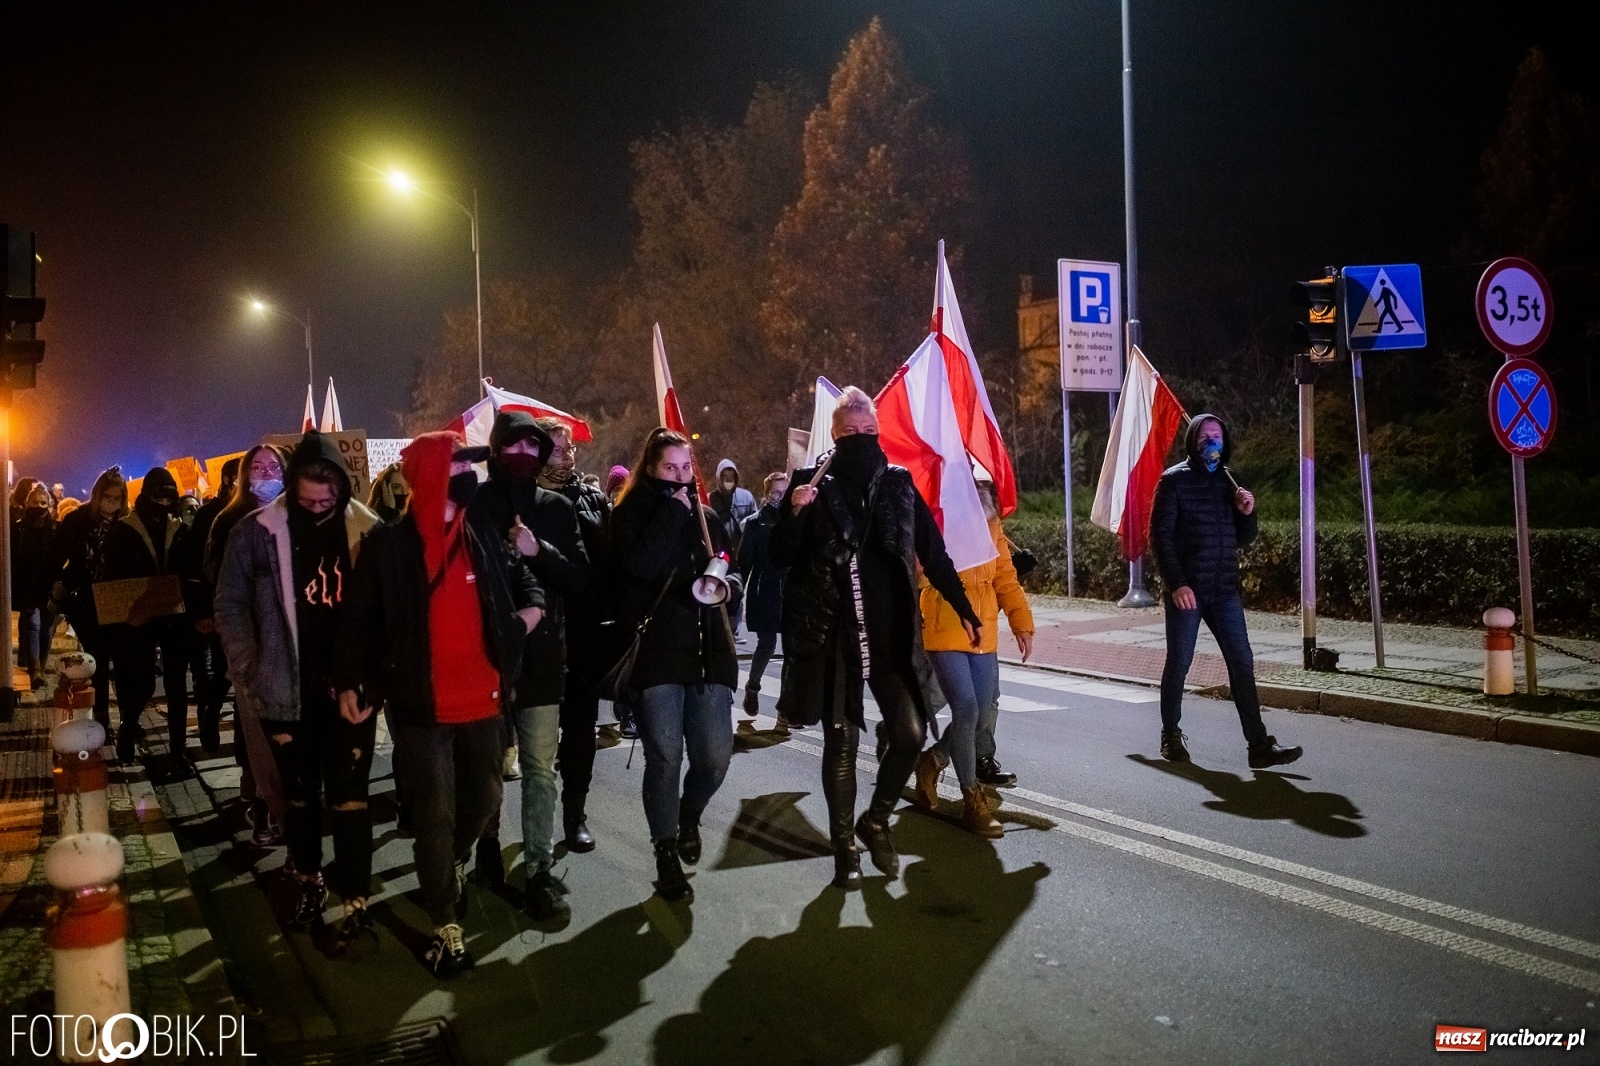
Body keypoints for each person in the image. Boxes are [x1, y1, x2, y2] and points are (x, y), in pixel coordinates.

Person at [335, 431, 543, 978]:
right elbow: (357, 621)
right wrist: (350, 682)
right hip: (421, 707)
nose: (469, 474)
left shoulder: (478, 535)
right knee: (435, 814)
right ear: (430, 475)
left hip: (486, 700)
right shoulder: (388, 546)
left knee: (486, 797)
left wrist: (531, 612)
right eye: (459, 465)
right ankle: (444, 921)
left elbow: (522, 580)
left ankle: (451, 858)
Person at [769, 387, 981, 891]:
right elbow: (778, 557)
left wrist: (964, 606)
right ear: (835, 435)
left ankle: (876, 818)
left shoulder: (898, 484)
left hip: (888, 636)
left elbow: (934, 551)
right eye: (851, 433)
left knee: (910, 734)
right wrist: (795, 514)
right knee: (840, 741)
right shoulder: (810, 482)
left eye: (870, 432)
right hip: (834, 633)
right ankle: (845, 848)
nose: (862, 440)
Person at [215, 433, 382, 952]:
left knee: (353, 798)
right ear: (291, 489)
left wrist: (373, 681)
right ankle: (309, 881)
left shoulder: (369, 530)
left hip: (350, 690)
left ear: (341, 488)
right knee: (301, 796)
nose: (317, 509)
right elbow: (230, 602)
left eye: (326, 501)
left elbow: (388, 617)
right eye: (306, 501)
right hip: (284, 688)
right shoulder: (255, 534)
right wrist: (249, 667)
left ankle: (357, 899)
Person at [609, 428, 741, 904]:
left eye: (687, 469)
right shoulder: (632, 514)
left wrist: (730, 585)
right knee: (664, 757)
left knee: (713, 758)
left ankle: (690, 811)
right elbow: (638, 567)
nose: (681, 478)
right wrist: (670, 513)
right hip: (658, 655)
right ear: (650, 469)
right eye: (670, 469)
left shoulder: (707, 517)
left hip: (708, 653)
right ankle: (665, 852)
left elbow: (729, 563)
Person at [469, 412, 591, 920]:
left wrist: (536, 550)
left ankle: (539, 868)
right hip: (485, 660)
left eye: (532, 447)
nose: (523, 455)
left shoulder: (557, 509)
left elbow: (580, 580)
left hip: (541, 662)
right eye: (512, 446)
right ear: (496, 450)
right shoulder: (474, 505)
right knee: (487, 770)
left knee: (541, 770)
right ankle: (486, 848)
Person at [1149, 413, 1302, 769]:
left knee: (1242, 662)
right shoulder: (1173, 482)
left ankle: (1259, 745)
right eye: (1204, 436)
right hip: (1188, 591)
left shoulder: (1231, 482)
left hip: (1224, 591)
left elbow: (1243, 539)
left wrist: (1247, 513)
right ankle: (1170, 734)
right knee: (1180, 662)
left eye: (1217, 435)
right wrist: (1177, 583)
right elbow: (1160, 538)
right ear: (1192, 441)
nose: (1211, 442)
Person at [912, 477, 1036, 837]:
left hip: (983, 630)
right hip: (945, 622)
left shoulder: (990, 521)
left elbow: (1005, 578)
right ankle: (971, 799)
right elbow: (921, 575)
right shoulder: (935, 517)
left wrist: (1021, 621)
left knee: (982, 713)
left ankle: (932, 760)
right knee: (966, 708)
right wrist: (921, 567)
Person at [534, 416, 614, 853]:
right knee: (541, 737)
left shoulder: (593, 500)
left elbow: (607, 566)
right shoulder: (523, 500)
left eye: (571, 451)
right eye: (560, 450)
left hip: (584, 634)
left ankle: (574, 812)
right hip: (539, 635)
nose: (568, 456)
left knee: (582, 729)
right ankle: (538, 820)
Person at [207, 444, 290, 845]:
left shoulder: (300, 519)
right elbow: (223, 591)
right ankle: (261, 803)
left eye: (274, 466)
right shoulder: (232, 523)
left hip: (291, 653)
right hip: (254, 651)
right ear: (244, 475)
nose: (266, 473)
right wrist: (242, 655)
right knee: (254, 734)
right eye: (258, 467)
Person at [100, 468, 194, 771]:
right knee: (142, 682)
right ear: (145, 494)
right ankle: (128, 729)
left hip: (175, 616)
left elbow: (191, 574)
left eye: (169, 494)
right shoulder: (125, 529)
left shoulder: (179, 528)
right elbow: (113, 578)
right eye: (158, 494)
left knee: (177, 684)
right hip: (138, 617)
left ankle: (178, 750)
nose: (164, 500)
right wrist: (126, 614)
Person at [49, 469, 127, 729]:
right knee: (98, 662)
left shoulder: (127, 523)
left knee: (125, 663)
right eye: (107, 497)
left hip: (120, 601)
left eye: (118, 498)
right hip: (87, 602)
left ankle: (128, 717)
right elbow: (57, 559)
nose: (112, 503)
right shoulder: (77, 521)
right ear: (97, 495)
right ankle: (102, 717)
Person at [183, 457, 239, 753]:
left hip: (253, 607)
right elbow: (195, 569)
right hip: (221, 605)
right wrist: (202, 611)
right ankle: (210, 715)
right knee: (225, 669)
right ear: (229, 480)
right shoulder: (210, 516)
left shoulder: (260, 511)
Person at [736, 471, 788, 721]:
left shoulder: (795, 521)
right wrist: (736, 596)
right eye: (776, 493)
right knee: (766, 643)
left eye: (784, 492)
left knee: (791, 649)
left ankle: (786, 708)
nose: (780, 498)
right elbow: (744, 563)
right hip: (764, 590)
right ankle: (752, 687)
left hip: (790, 592)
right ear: (767, 495)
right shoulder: (756, 524)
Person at [12, 479, 59, 689]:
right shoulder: (19, 529)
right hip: (28, 586)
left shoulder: (57, 529)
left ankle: (42, 663)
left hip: (50, 586)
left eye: (43, 503)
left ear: (49, 505)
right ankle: (36, 670)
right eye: (35, 503)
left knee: (47, 628)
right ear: (28, 504)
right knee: (32, 624)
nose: (39, 507)